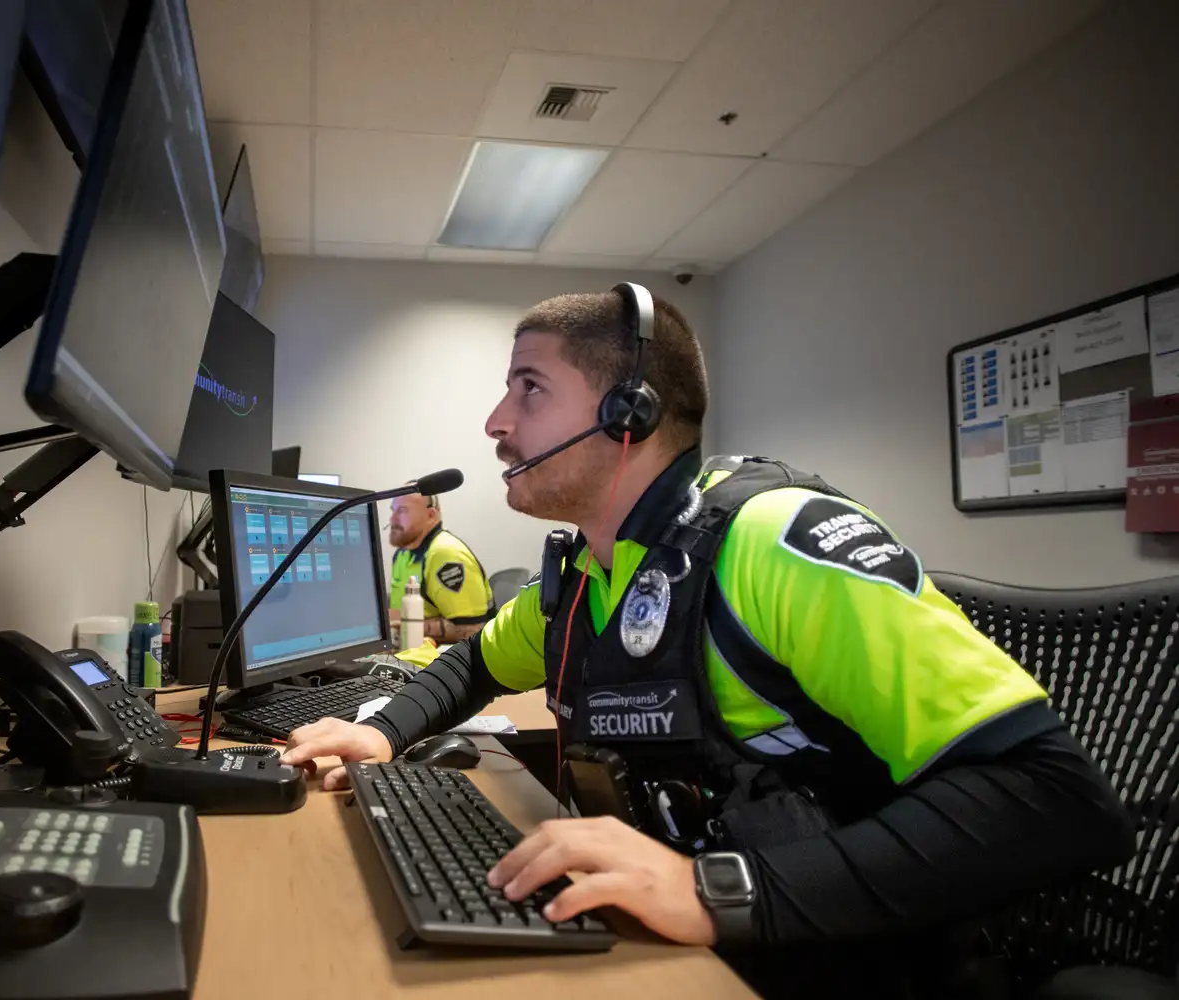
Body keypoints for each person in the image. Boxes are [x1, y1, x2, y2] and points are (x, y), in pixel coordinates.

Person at [282, 285, 1133, 998]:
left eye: (529, 389)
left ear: (628, 412)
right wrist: (383, 728)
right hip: (690, 949)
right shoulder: (586, 573)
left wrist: (713, 888)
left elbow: (1057, 800)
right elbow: (473, 663)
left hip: (827, 958)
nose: (496, 421)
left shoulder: (772, 543)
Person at [387, 490, 494, 644]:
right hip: (407, 648)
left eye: (402, 511)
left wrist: (407, 628)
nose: (392, 519)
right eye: (393, 510)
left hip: (449, 657)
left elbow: (472, 630)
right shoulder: (402, 554)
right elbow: (396, 615)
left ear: (430, 515)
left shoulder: (446, 554)